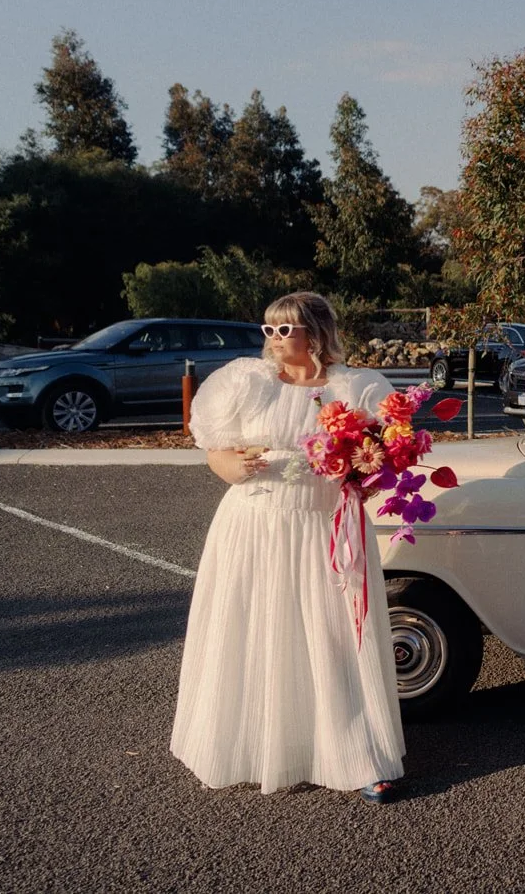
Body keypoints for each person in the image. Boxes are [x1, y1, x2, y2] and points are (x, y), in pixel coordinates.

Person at [172, 291, 406, 804]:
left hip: (327, 525)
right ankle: (257, 744)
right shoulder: (244, 384)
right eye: (268, 330)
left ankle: (357, 753)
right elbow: (217, 449)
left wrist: (368, 474)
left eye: (285, 330)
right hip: (256, 523)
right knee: (258, 628)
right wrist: (229, 467)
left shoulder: (357, 388)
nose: (274, 340)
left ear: (316, 333)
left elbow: (383, 460)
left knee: (336, 637)